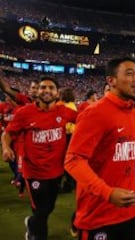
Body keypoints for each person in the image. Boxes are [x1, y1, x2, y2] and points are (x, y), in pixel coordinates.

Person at [64, 57, 135, 240]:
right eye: (129, 73)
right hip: (99, 214)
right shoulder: (95, 113)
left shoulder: (133, 114)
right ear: (111, 81)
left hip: (132, 210)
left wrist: (130, 152)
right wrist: (108, 193)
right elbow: (73, 160)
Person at [1, 76, 77, 240]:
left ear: (58, 93)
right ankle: (36, 235)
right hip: (34, 172)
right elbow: (8, 133)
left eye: (51, 88)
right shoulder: (25, 113)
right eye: (43, 87)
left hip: (57, 171)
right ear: (37, 92)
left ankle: (31, 224)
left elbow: (85, 120)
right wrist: (6, 147)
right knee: (41, 212)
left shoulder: (64, 111)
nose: (47, 91)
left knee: (48, 208)